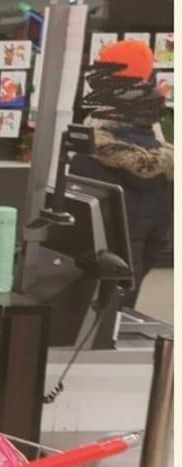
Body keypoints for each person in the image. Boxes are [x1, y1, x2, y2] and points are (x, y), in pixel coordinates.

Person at [70, 39, 173, 308]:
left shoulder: (86, 155)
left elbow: (71, 231)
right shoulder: (166, 165)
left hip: (81, 279)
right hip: (129, 275)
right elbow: (159, 237)